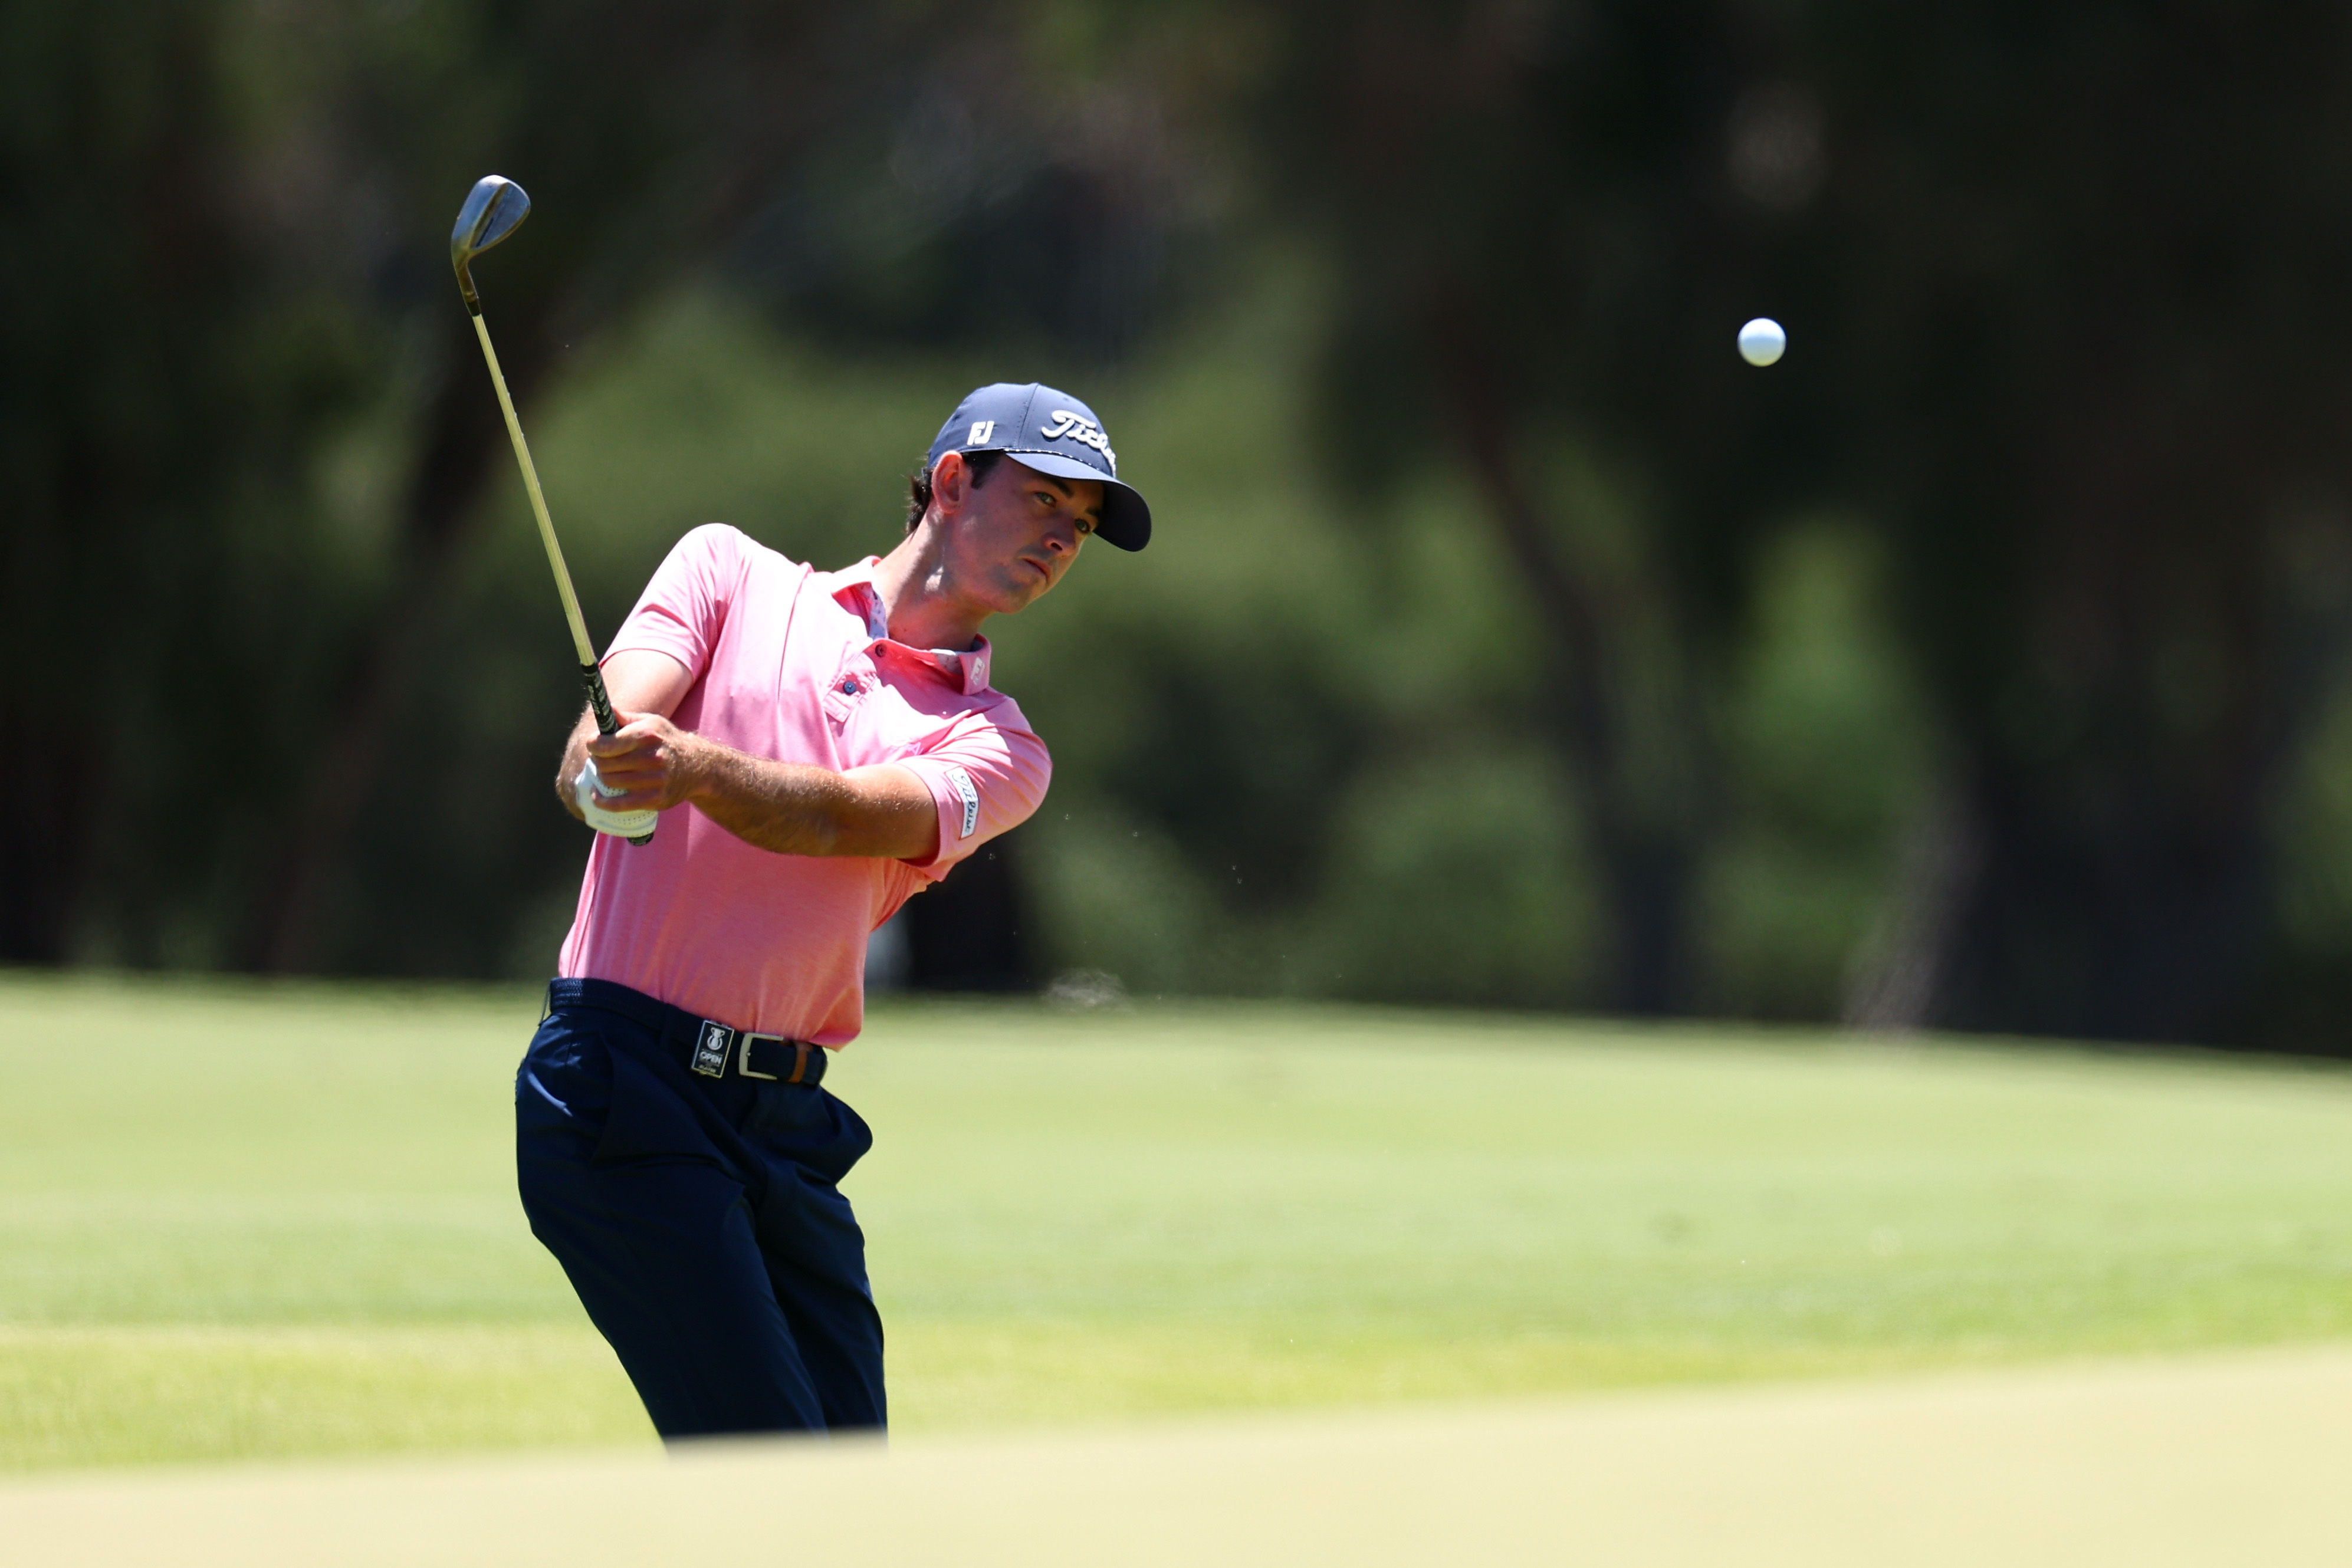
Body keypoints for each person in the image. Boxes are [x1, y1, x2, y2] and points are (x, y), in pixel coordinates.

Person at [513, 383, 1149, 1438]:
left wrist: (690, 769)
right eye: (1044, 502)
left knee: (845, 1495)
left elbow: (838, 822)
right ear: (953, 482)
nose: (1062, 540)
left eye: (1079, 528)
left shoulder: (999, 745)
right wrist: (606, 769)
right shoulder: (730, 572)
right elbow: (608, 734)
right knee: (773, 1478)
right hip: (621, 1082)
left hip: (787, 1125)